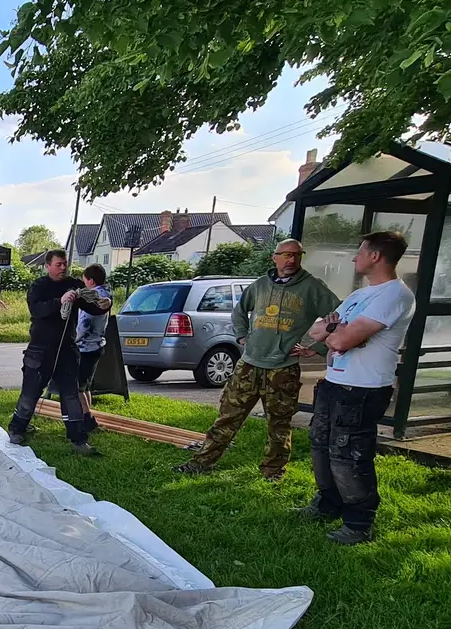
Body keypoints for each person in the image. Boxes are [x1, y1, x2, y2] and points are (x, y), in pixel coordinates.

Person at [174, 239, 340, 482]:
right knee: (227, 416)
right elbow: (239, 311)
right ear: (275, 257)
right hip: (249, 364)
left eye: (296, 255)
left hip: (283, 368)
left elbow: (340, 316)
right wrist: (242, 336)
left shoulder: (313, 288)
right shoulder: (260, 285)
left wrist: (317, 347)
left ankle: (273, 471)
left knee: (279, 423)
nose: (291, 260)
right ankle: (201, 463)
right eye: (286, 254)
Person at [297, 230, 415, 545]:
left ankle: (360, 522)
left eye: (360, 252)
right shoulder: (359, 296)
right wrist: (335, 329)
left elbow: (340, 340)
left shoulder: (394, 296)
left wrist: (334, 330)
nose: (354, 257)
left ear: (375, 256)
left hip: (362, 390)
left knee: (349, 454)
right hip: (335, 383)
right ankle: (328, 503)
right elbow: (318, 328)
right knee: (321, 445)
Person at [7, 250, 101, 455]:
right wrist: (60, 301)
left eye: (65, 264)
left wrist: (104, 303)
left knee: (70, 395)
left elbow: (93, 307)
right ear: (47, 266)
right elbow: (37, 310)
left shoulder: (75, 285)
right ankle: (17, 429)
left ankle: (78, 440)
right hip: (39, 350)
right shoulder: (39, 286)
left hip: (67, 349)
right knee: (30, 394)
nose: (63, 268)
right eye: (58, 264)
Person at [74, 264, 114, 418]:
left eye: (85, 280)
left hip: (85, 346)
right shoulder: (106, 294)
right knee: (86, 385)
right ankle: (87, 413)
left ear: (90, 281)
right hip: (98, 343)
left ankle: (85, 417)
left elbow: (84, 324)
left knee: (77, 387)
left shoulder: (91, 298)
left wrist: (74, 340)